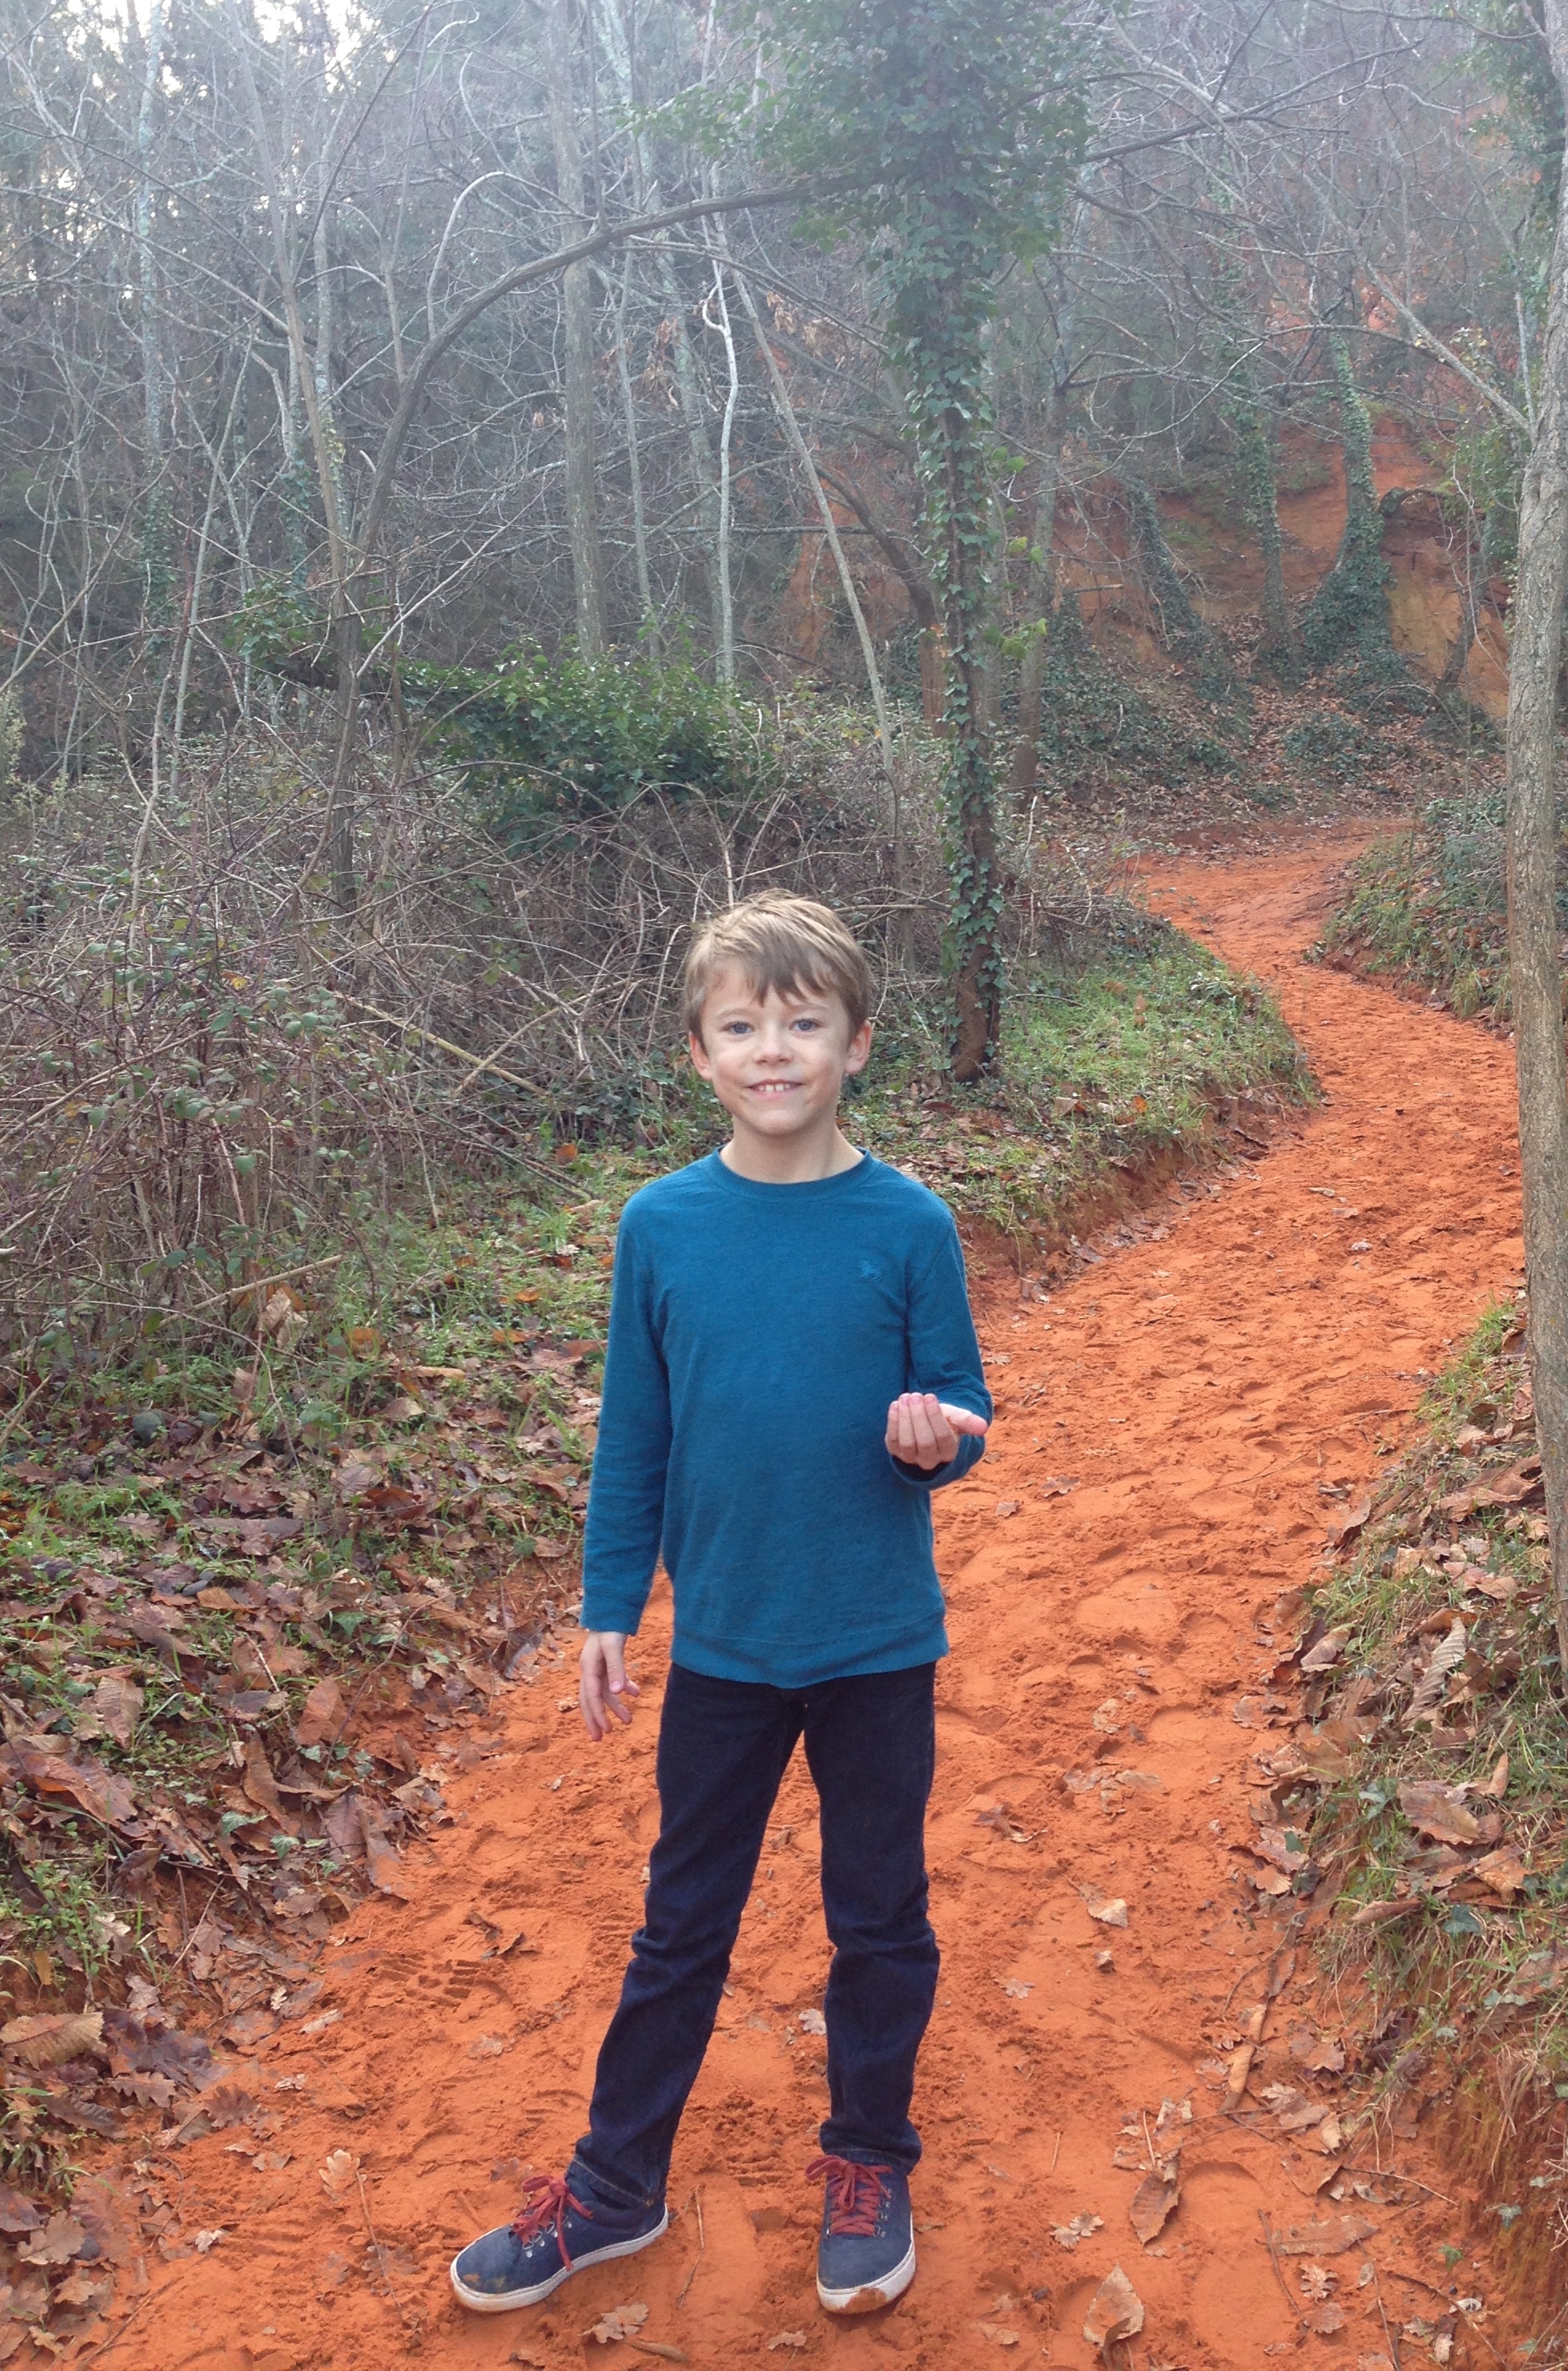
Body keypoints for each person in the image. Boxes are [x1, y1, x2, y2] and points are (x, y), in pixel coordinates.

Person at [449, 891, 992, 2322]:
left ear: (855, 1043)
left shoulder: (909, 1222)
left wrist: (937, 1439)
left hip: (876, 1640)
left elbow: (966, 1400)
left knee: (880, 1917)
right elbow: (636, 1431)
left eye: (803, 1023)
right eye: (742, 1026)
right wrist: (608, 1603)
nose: (773, 1051)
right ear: (698, 1053)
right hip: (726, 1651)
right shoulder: (662, 1226)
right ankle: (614, 2186)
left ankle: (869, 2161)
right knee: (681, 1925)